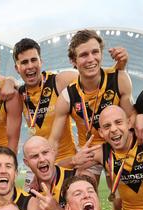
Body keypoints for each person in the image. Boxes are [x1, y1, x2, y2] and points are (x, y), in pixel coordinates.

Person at [47, 30, 134, 175]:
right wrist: (46, 166)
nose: (91, 59)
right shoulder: (67, 96)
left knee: (122, 196)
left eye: (95, 52)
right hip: (88, 152)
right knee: (81, 189)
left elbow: (131, 120)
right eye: (83, 55)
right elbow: (53, 141)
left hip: (118, 147)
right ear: (73, 61)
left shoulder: (119, 79)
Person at [22, 136, 75, 210]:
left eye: (45, 152)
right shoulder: (32, 194)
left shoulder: (75, 179)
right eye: (34, 156)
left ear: (54, 153)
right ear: (26, 163)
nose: (42, 159)